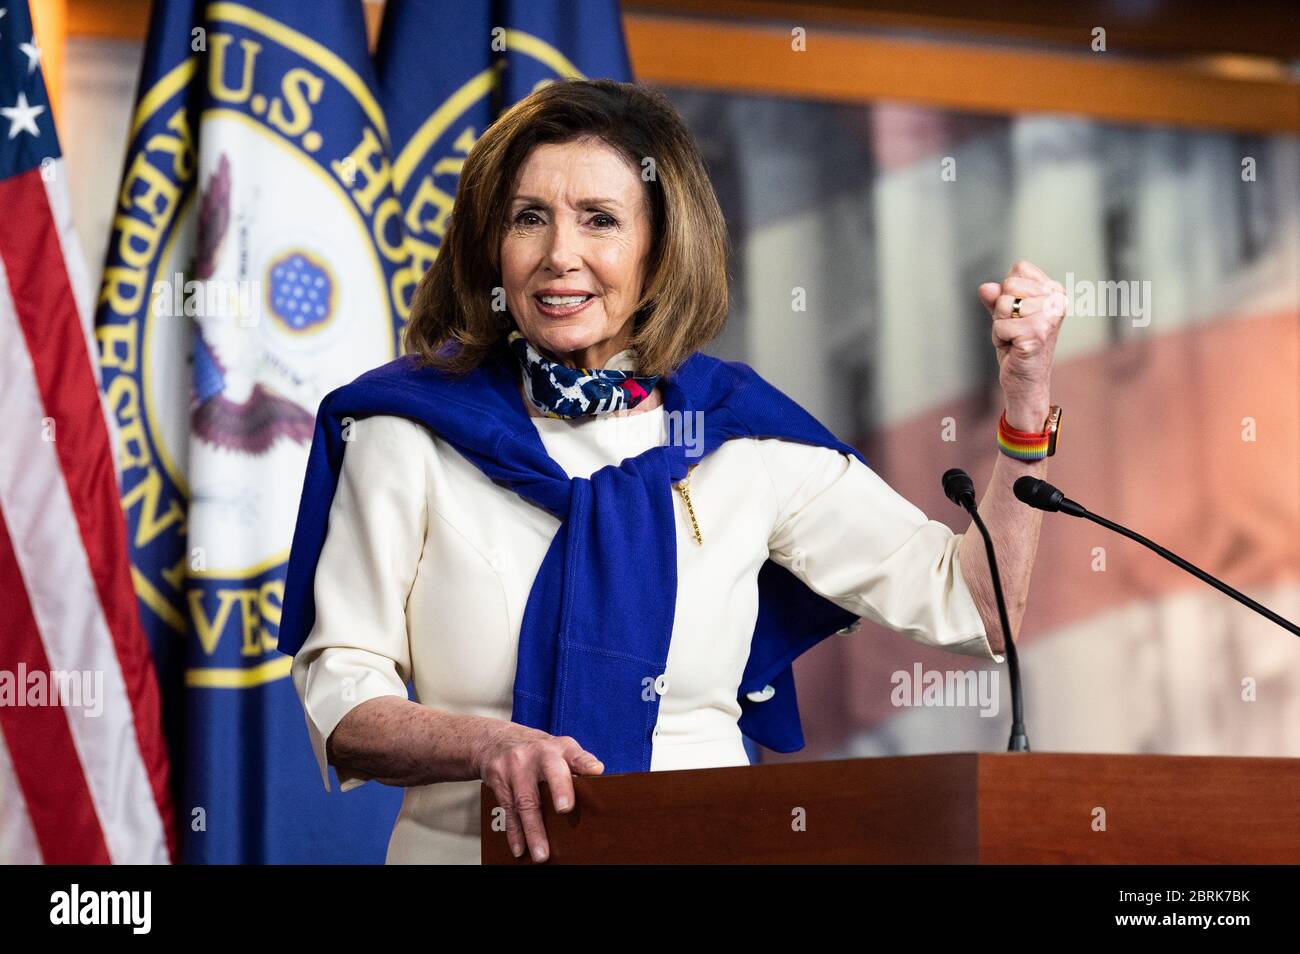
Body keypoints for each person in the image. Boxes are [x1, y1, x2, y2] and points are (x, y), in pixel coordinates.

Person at [277, 78, 1067, 865]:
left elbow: (976, 608)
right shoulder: (407, 431)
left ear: (659, 250)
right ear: (492, 247)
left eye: (601, 221)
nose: (561, 256)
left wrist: (1027, 401)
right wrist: (486, 745)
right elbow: (342, 697)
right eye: (529, 219)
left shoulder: (739, 434)